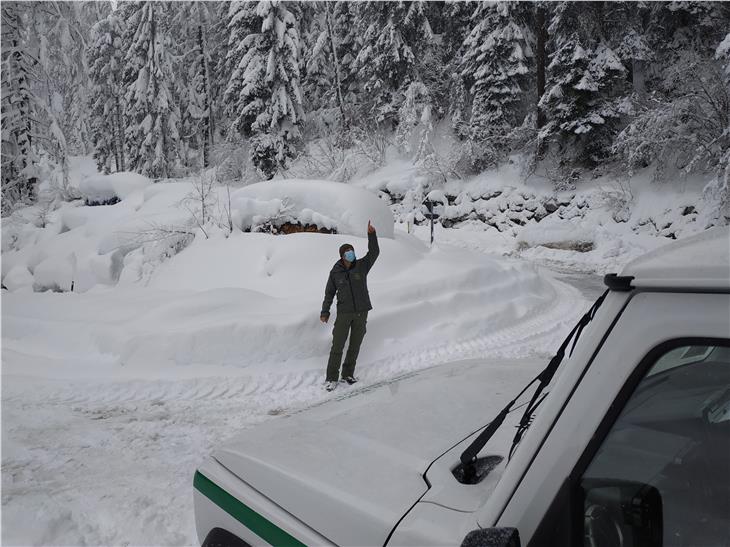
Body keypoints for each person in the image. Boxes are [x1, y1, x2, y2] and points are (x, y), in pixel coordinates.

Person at [320, 220, 379, 391]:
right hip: (344, 313)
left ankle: (347, 374)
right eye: (347, 252)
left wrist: (371, 235)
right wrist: (325, 311)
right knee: (337, 346)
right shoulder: (335, 272)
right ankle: (331, 378)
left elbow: (374, 252)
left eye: (352, 251)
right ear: (342, 256)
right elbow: (329, 293)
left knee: (355, 345)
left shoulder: (362, 266)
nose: (351, 254)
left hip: (361, 312)